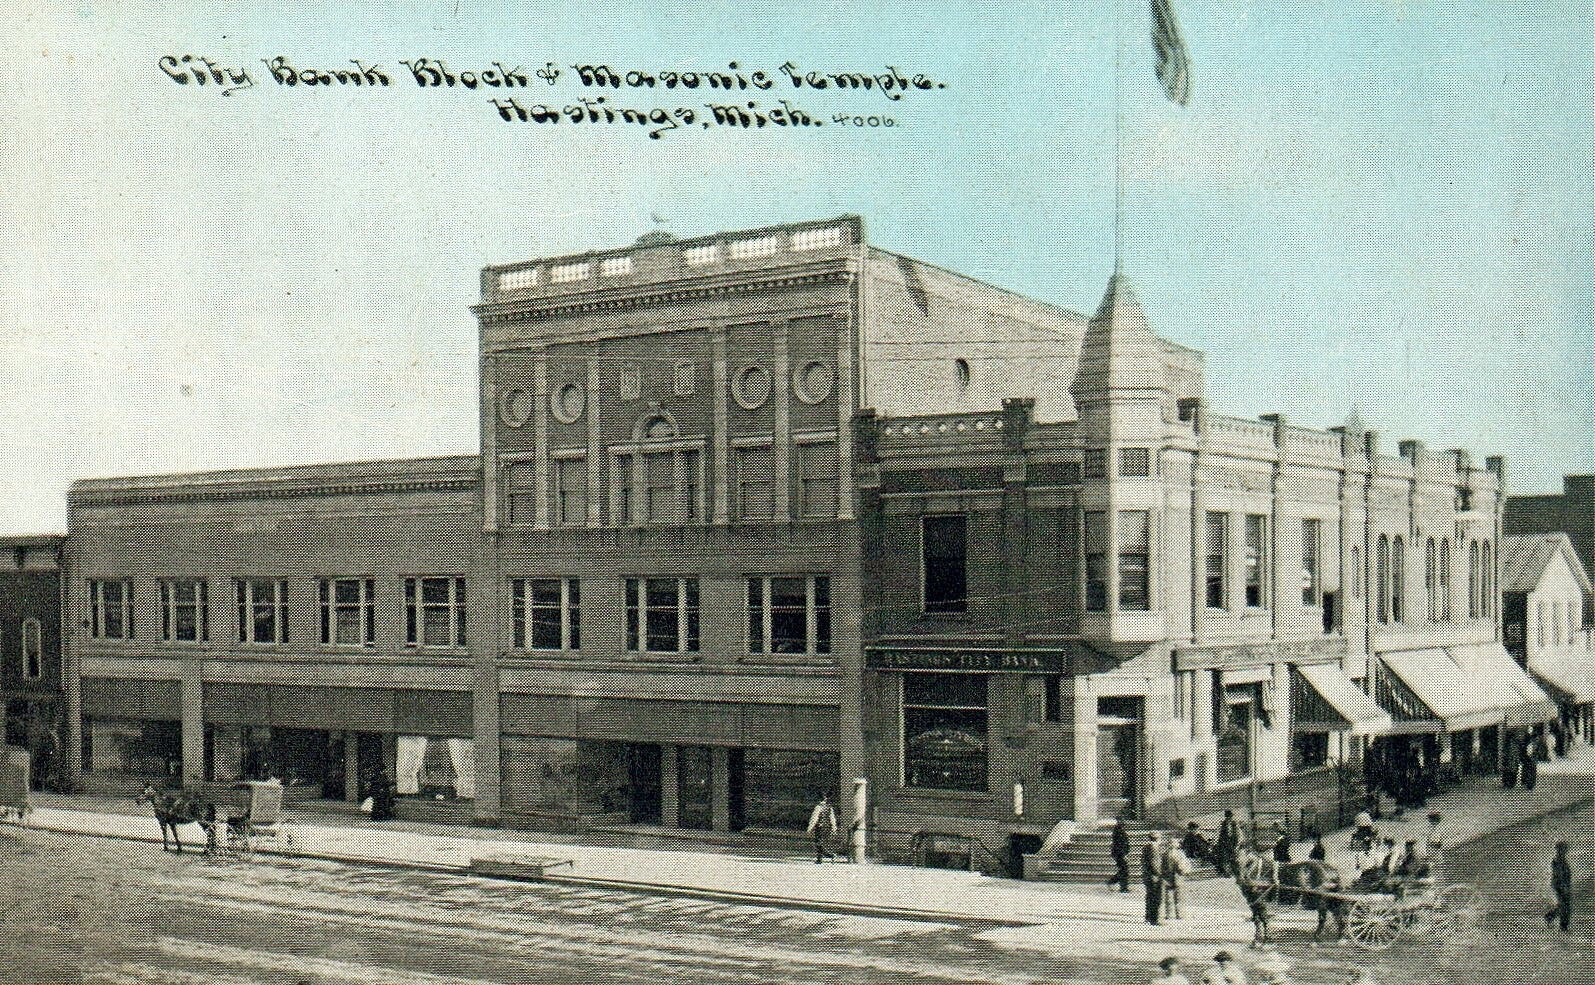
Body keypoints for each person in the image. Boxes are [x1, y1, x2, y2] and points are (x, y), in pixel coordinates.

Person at [1545, 840, 1573, 932]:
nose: (1566, 850)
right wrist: (1564, 886)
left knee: (1564, 905)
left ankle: (1551, 917)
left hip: (1561, 885)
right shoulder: (1559, 860)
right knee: (1565, 905)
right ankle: (1563, 926)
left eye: (1565, 849)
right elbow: (1559, 875)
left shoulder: (1560, 860)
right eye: (1564, 849)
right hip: (1560, 885)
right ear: (1560, 849)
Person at [806, 793, 838, 863]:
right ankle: (824, 857)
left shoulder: (818, 807)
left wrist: (810, 828)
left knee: (819, 843)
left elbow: (814, 818)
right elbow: (832, 818)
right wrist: (834, 827)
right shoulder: (830, 807)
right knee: (823, 842)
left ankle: (827, 856)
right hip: (827, 827)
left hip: (820, 827)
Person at [1162, 839, 1190, 921]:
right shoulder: (1179, 854)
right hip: (1177, 877)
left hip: (1167, 878)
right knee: (1178, 897)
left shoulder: (1165, 854)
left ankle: (1169, 914)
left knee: (1168, 897)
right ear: (1176, 845)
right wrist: (1186, 871)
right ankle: (1179, 914)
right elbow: (1181, 867)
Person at [1142, 832, 1166, 925]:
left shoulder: (1146, 847)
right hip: (1155, 877)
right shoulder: (1154, 849)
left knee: (1149, 897)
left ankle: (1148, 918)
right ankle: (1155, 919)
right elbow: (1155, 865)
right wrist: (1162, 874)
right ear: (1157, 839)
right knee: (1156, 898)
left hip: (1148, 876)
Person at [1107, 817, 1132, 892]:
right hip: (1120, 854)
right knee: (1124, 870)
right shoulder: (1118, 830)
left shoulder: (1119, 829)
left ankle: (1118, 885)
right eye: (1121, 820)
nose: (1123, 822)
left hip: (1120, 853)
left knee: (1123, 870)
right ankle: (1121, 886)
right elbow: (1120, 844)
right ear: (1118, 821)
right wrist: (1124, 854)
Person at [1216, 809, 1241, 877]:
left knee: (1233, 858)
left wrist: (1237, 845)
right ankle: (1226, 872)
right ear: (1226, 817)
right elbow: (1221, 835)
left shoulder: (1234, 824)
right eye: (1227, 817)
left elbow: (1238, 835)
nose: (1229, 818)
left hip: (1233, 843)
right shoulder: (1223, 824)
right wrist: (1220, 844)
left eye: (1230, 817)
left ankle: (1236, 872)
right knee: (1224, 858)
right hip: (1224, 843)